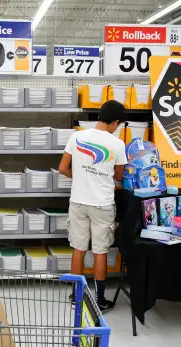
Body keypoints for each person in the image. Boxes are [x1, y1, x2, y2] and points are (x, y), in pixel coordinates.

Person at [58, 100, 127, 312]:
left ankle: (77, 296)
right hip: (102, 203)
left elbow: (62, 168)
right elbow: (119, 176)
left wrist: (80, 178)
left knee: (78, 248)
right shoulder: (117, 144)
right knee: (100, 251)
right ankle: (99, 299)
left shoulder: (77, 136)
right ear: (115, 122)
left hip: (78, 201)